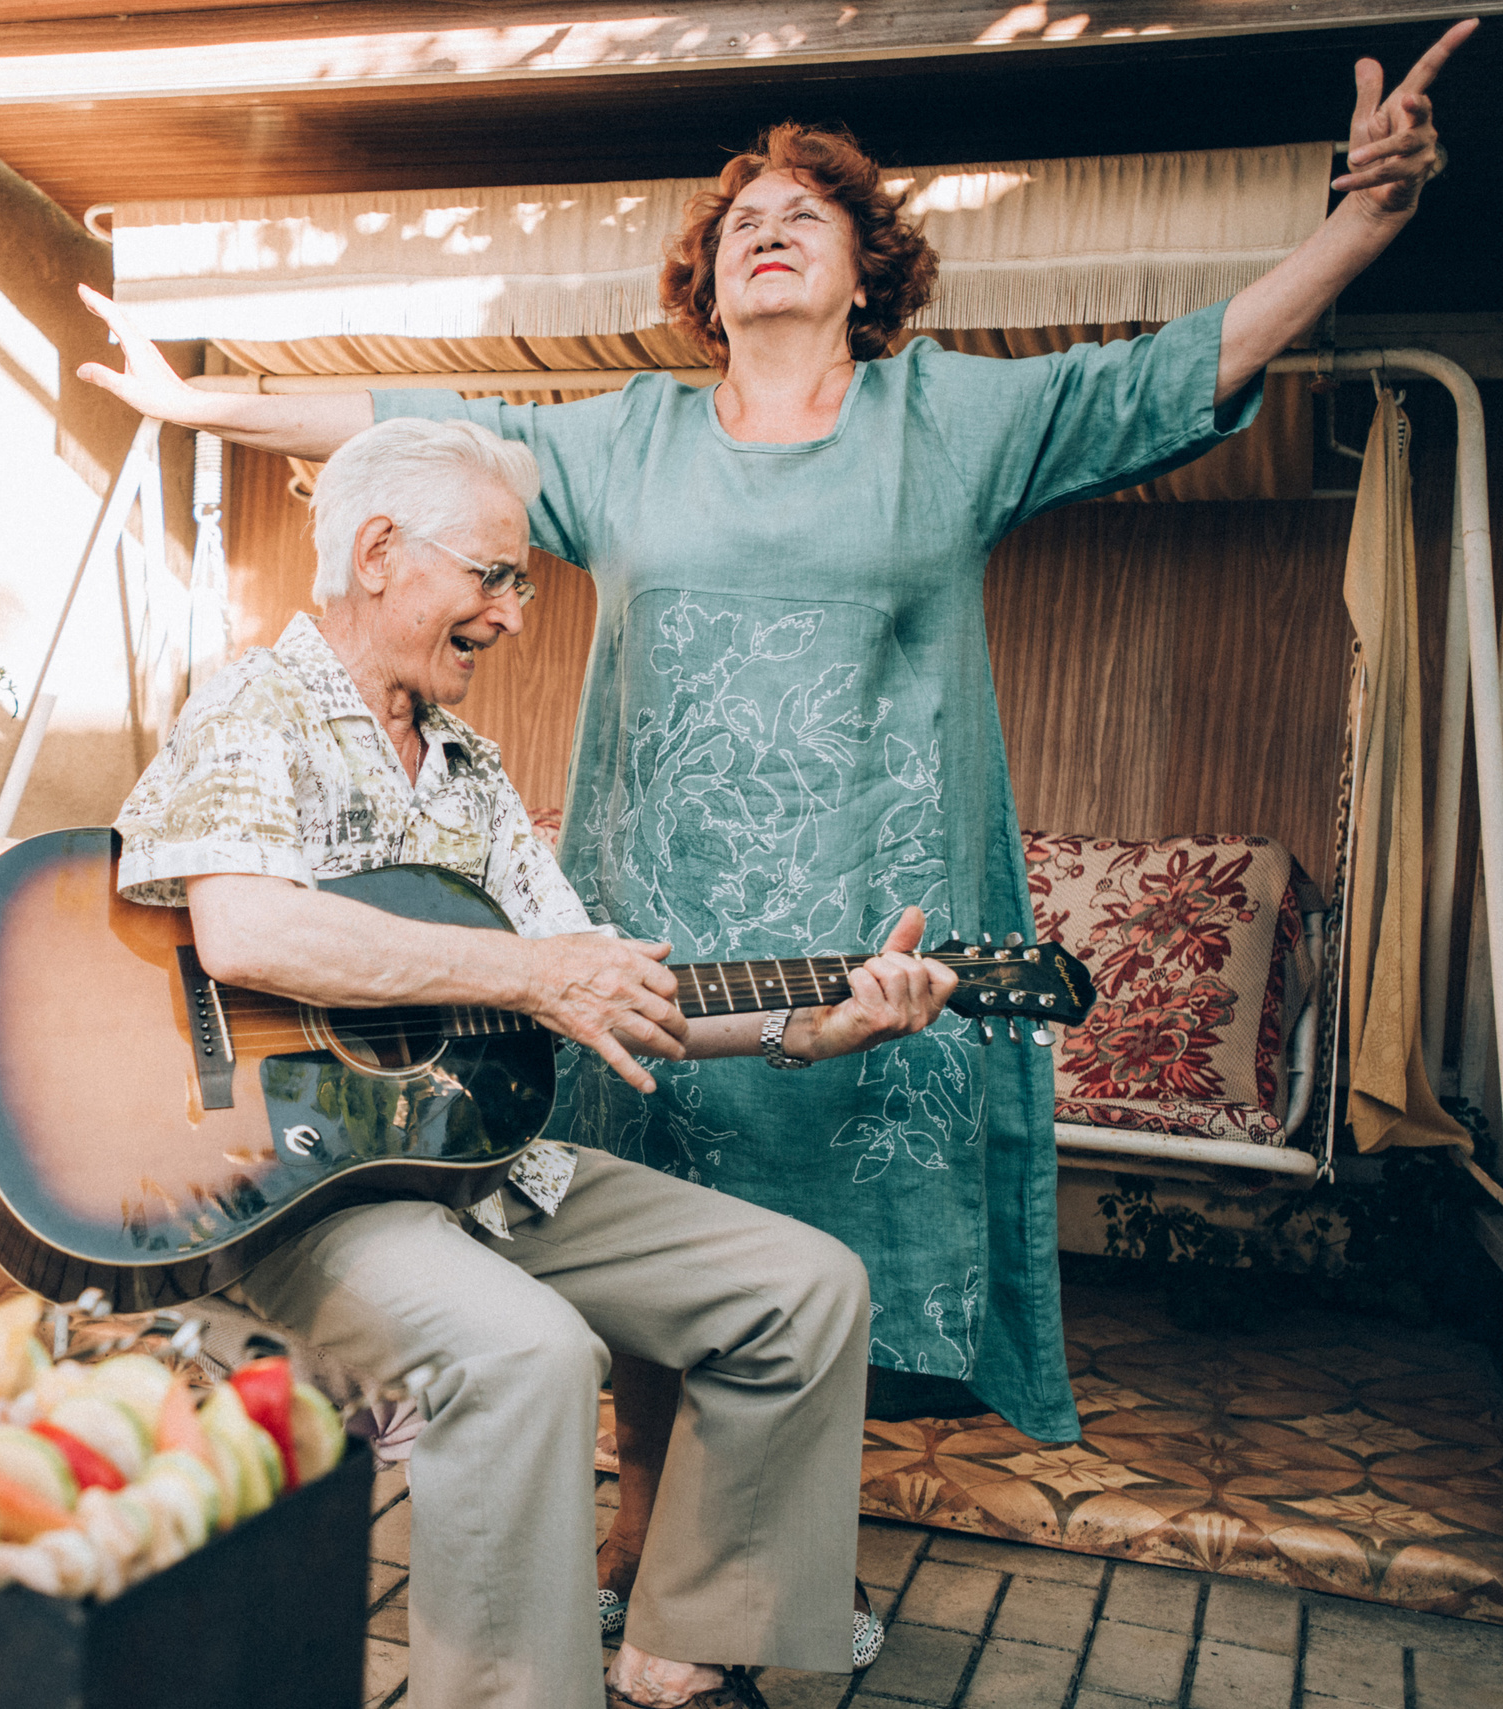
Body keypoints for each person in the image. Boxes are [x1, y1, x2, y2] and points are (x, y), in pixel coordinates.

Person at [80, 18, 1473, 1658]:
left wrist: (1360, 229)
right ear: (710, 272)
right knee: (633, 1212)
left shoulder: (948, 419)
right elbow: (417, 460)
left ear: (869, 266)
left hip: (862, 916)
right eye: (743, 207)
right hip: (634, 916)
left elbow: (1165, 379)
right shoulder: (621, 440)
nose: (769, 216)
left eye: (809, 205)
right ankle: (636, 1536)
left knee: (817, 1262)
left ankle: (732, 1579)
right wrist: (203, 398)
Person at [113, 414, 958, 1709]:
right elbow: (245, 926)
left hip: (480, 1170)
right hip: (302, 1192)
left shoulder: (468, 768)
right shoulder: (254, 702)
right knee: (530, 1355)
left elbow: (588, 969)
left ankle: (676, 1647)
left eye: (521, 581)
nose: (514, 612)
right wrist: (522, 973)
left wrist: (811, 1020)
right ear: (383, 551)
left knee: (803, 1288)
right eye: (494, 575)